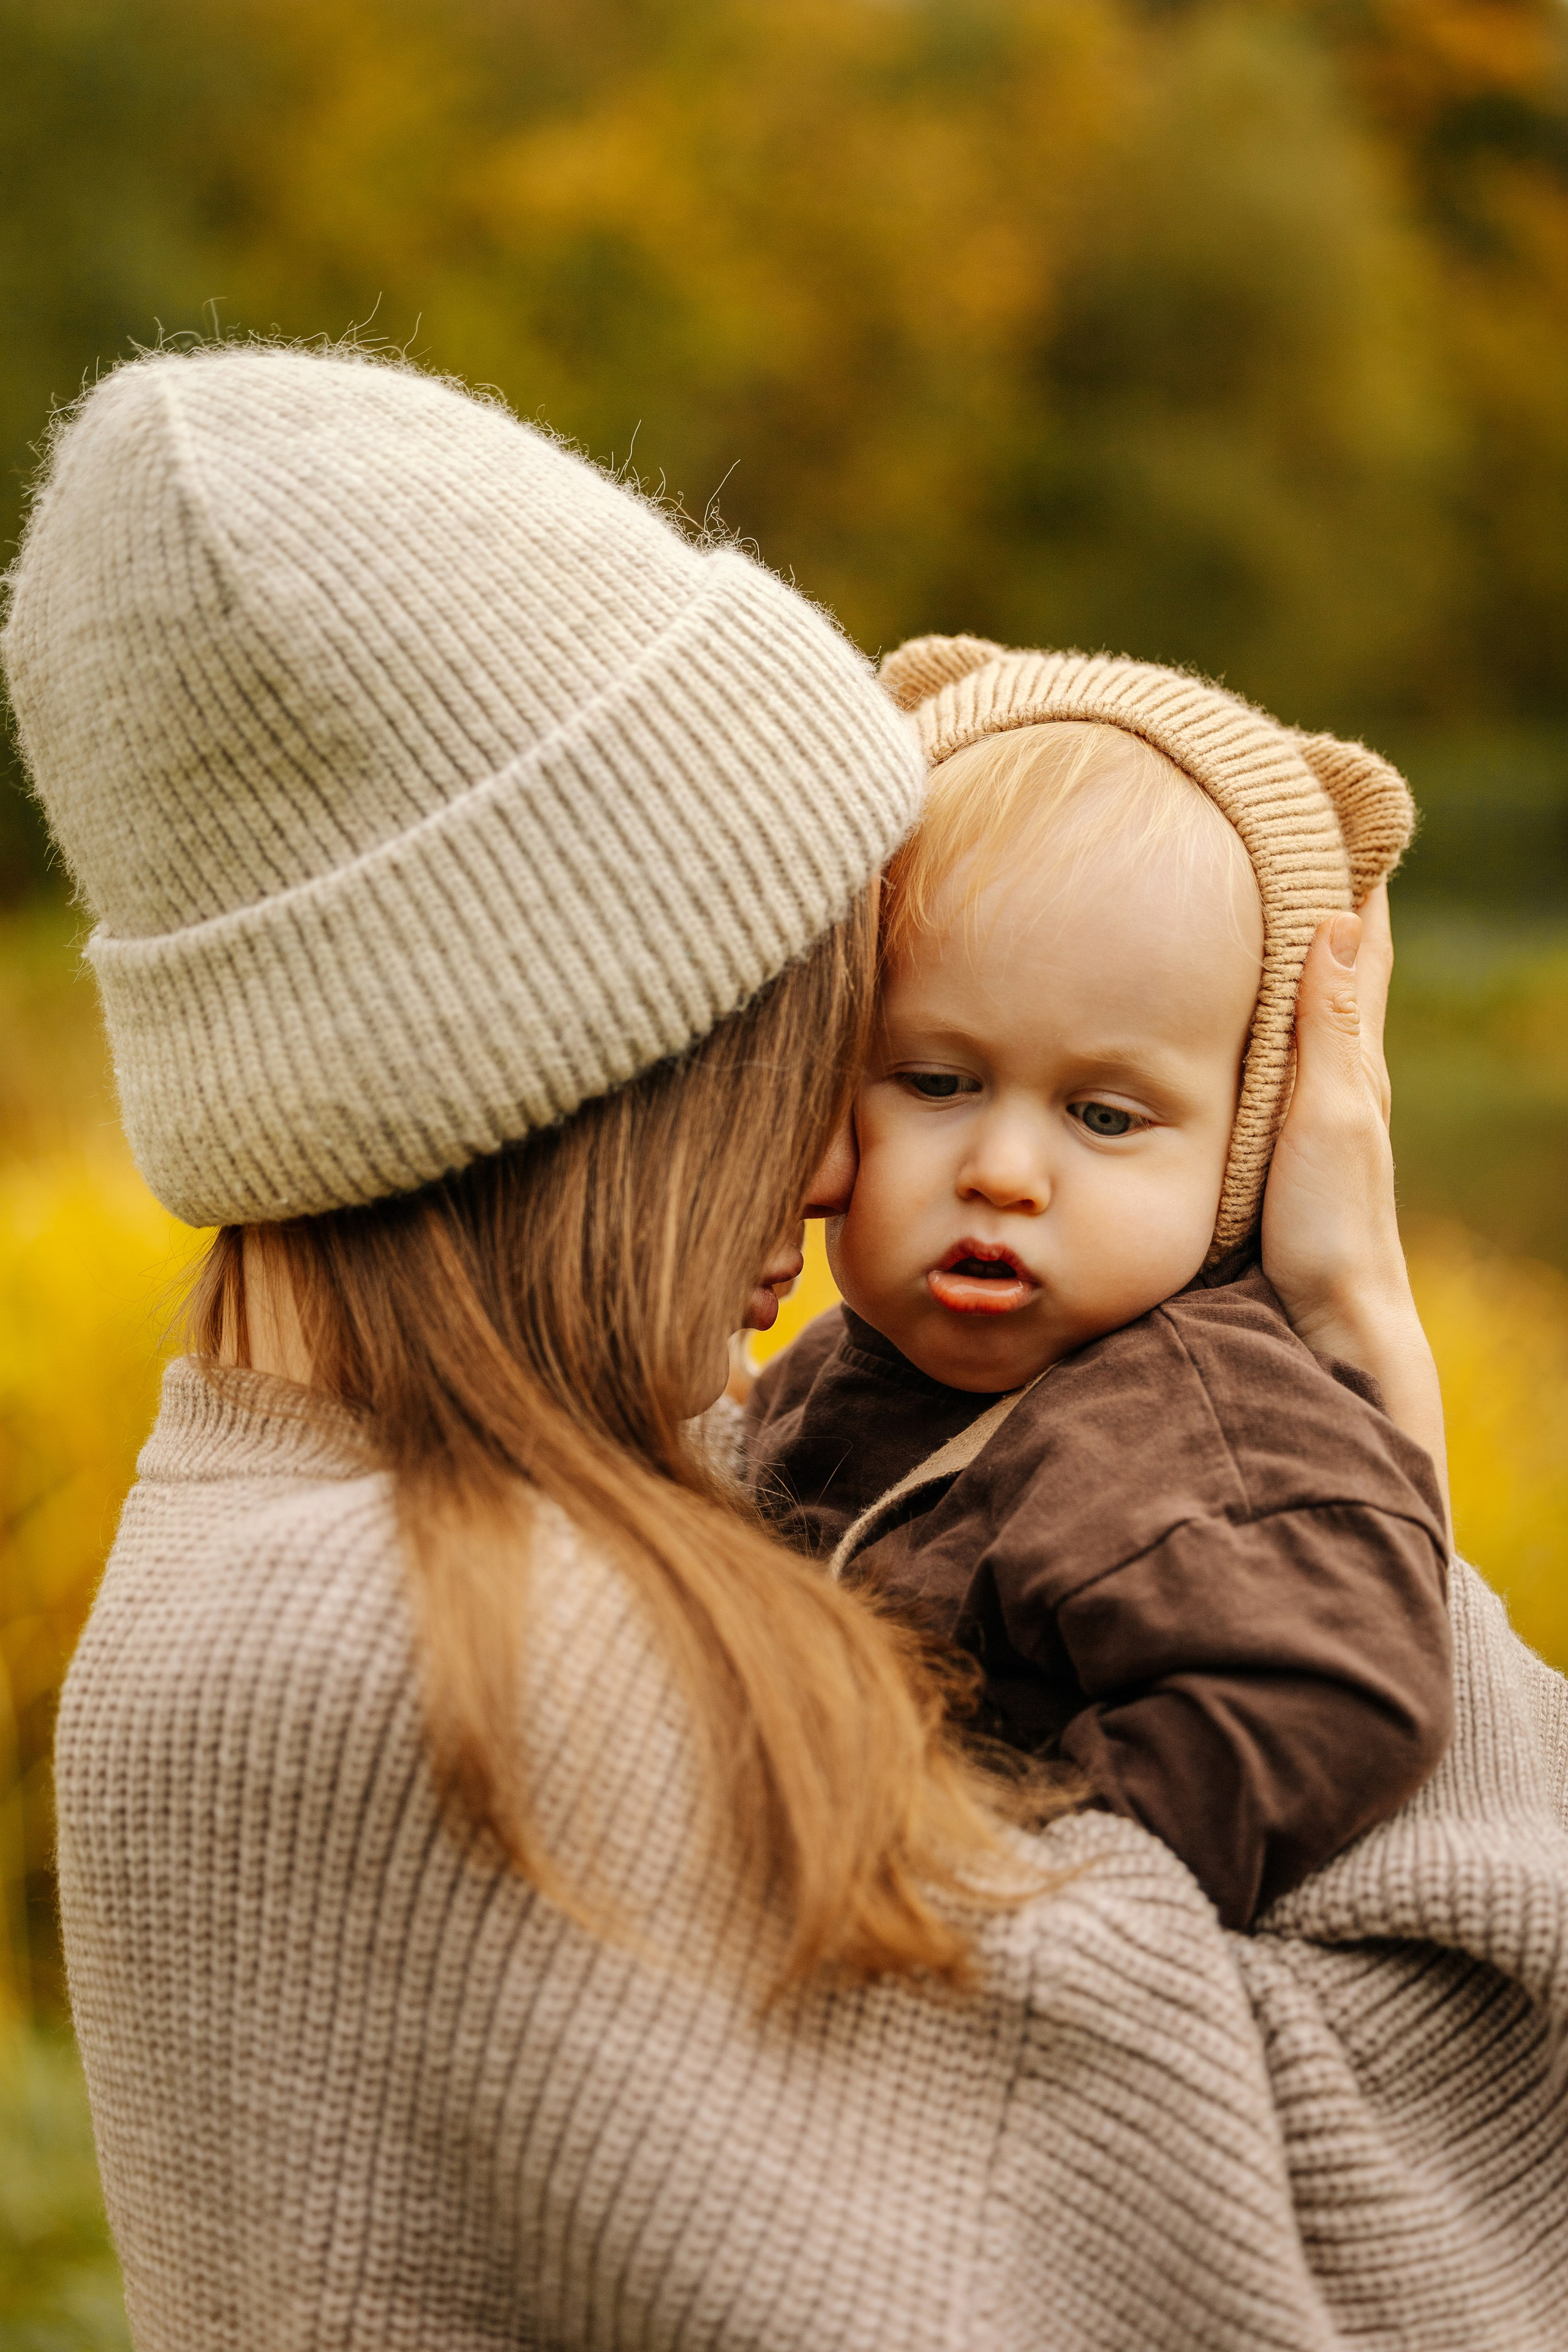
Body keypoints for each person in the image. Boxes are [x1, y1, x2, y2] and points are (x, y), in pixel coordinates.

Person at [6, 344, 1565, 2351]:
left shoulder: (311, 1540)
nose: (842, 1166)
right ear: (572, 1068)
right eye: (819, 1046)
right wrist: (1365, 1397)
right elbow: (1386, 2245)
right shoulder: (454, 1654)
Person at [745, 644, 1453, 1930]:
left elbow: (1328, 1698)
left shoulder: (1198, 1424)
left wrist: (1005, 1895)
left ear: (1244, 1145)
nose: (1005, 1173)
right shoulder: (841, 1369)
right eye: (936, 1083)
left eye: (1106, 1116)